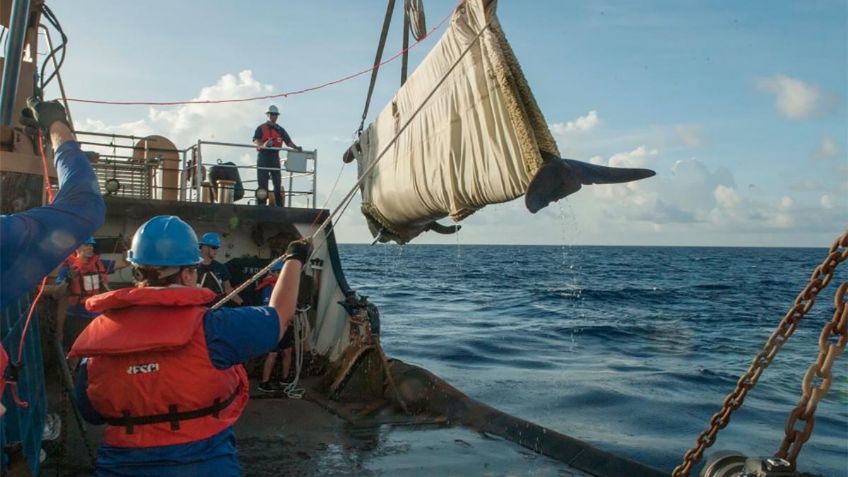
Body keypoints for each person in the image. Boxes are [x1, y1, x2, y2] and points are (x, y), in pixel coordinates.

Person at [69, 215, 309, 476]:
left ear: (137, 270)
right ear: (187, 274)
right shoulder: (215, 328)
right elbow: (280, 317)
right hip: (206, 466)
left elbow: (90, 412)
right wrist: (294, 259)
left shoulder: (98, 340)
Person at [0, 97, 105, 310]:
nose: (87, 248)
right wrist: (55, 124)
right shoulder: (9, 237)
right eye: (86, 245)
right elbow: (85, 203)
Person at [53, 237, 129, 347]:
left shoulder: (100, 263)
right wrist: (67, 280)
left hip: (98, 316)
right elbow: (57, 294)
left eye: (92, 245)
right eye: (86, 245)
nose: (90, 247)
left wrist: (125, 249)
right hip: (76, 317)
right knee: (73, 350)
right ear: (77, 248)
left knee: (98, 349)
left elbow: (125, 263)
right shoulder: (68, 268)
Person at [252, 105, 302, 207]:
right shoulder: (261, 128)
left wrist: (296, 147)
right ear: (268, 115)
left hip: (274, 157)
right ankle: (261, 204)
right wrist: (264, 145)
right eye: (272, 114)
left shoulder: (280, 130)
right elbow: (256, 140)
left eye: (275, 115)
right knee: (262, 183)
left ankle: (279, 205)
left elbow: (288, 141)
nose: (274, 116)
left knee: (277, 182)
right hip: (263, 156)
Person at [256, 261, 294, 392]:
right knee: (272, 354)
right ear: (274, 273)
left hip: (286, 325)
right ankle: (264, 382)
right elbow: (269, 308)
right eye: (279, 272)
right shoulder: (268, 288)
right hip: (274, 326)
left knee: (287, 351)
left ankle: (285, 379)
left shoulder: (285, 287)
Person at [198, 232, 243, 305]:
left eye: (217, 248)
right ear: (204, 247)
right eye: (214, 248)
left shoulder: (221, 268)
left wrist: (243, 305)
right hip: (198, 309)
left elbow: (228, 290)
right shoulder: (192, 268)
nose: (216, 251)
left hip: (216, 309)